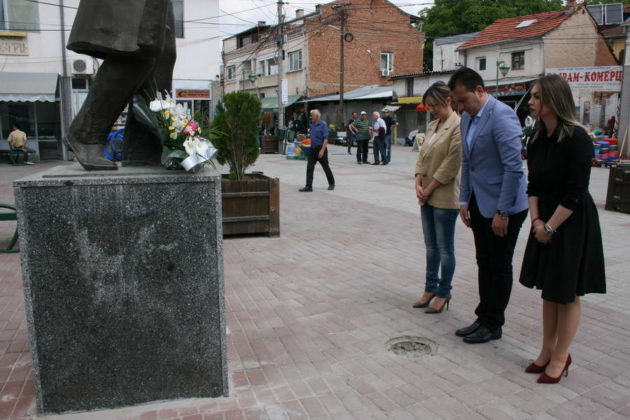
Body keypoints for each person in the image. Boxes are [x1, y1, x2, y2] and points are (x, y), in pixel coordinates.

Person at [519, 75, 605, 384]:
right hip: (544, 220)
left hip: (570, 222)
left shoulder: (577, 138)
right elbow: (532, 185)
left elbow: (576, 193)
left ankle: (561, 356)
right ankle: (546, 351)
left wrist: (550, 227)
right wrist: (536, 222)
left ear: (554, 99)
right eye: (531, 96)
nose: (531, 101)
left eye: (537, 96)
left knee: (566, 293)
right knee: (549, 291)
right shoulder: (537, 138)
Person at [449, 67, 528, 344]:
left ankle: (494, 323)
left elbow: (513, 169)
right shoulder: (467, 119)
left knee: (499, 263)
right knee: (484, 261)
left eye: (463, 100)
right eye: (457, 102)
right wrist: (463, 199)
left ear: (480, 90)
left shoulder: (502, 116)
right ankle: (483, 317)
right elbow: (468, 162)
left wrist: (502, 212)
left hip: (505, 207)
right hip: (479, 202)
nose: (459, 107)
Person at [413, 82, 462, 314]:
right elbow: (422, 156)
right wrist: (417, 181)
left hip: (444, 196)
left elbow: (451, 163)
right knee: (430, 247)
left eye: (434, 105)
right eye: (428, 105)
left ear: (448, 101)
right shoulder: (433, 125)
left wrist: (430, 187)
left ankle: (444, 292)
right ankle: (429, 287)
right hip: (426, 195)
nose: (431, 109)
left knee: (445, 249)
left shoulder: (458, 126)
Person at [299, 109, 335, 192]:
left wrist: (322, 151)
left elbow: (326, 139)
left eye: (312, 115)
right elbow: (312, 135)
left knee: (326, 167)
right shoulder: (311, 123)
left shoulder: (323, 125)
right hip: (312, 149)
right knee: (310, 167)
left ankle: (332, 183)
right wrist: (304, 138)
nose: (311, 117)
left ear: (317, 116)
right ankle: (308, 186)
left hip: (321, 148)